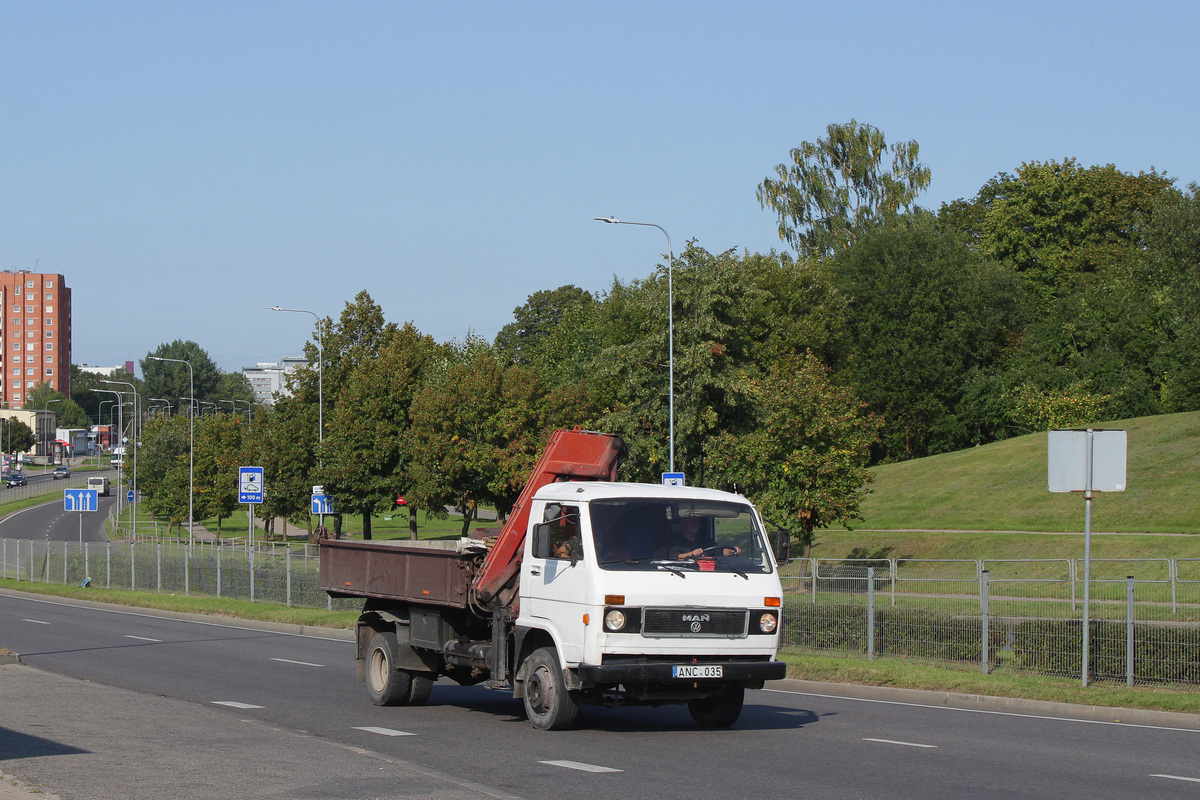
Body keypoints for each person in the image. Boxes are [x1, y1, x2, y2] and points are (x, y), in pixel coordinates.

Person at [667, 515, 741, 559]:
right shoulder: (675, 541)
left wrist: (732, 550)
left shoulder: (705, 540)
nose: (695, 524)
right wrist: (692, 554)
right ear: (682, 524)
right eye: (691, 522)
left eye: (696, 522)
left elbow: (719, 551)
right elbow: (674, 557)